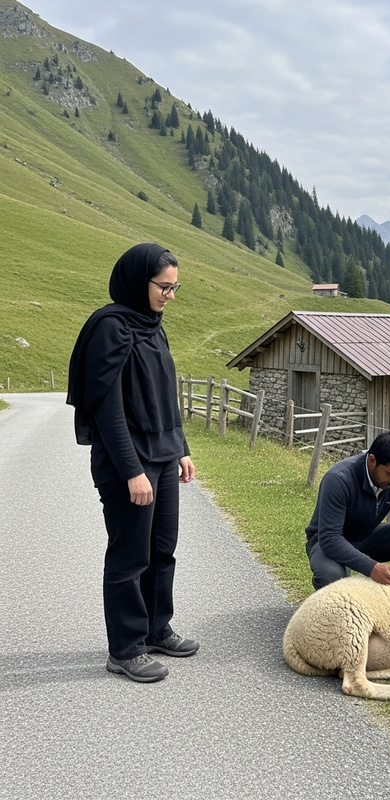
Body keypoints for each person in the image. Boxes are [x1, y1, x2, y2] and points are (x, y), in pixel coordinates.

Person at [67, 242, 198, 683]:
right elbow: (107, 410)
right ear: (137, 281)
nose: (170, 295)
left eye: (174, 286)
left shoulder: (152, 325)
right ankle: (125, 648)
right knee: (129, 556)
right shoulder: (111, 327)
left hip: (161, 458)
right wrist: (131, 472)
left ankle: (156, 628)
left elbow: (165, 393)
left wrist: (179, 446)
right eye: (164, 286)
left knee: (163, 550)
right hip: (129, 465)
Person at [305, 430, 390, 590]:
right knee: (331, 575)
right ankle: (327, 606)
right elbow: (330, 537)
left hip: (368, 535)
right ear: (372, 460)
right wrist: (372, 568)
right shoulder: (338, 479)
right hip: (328, 541)